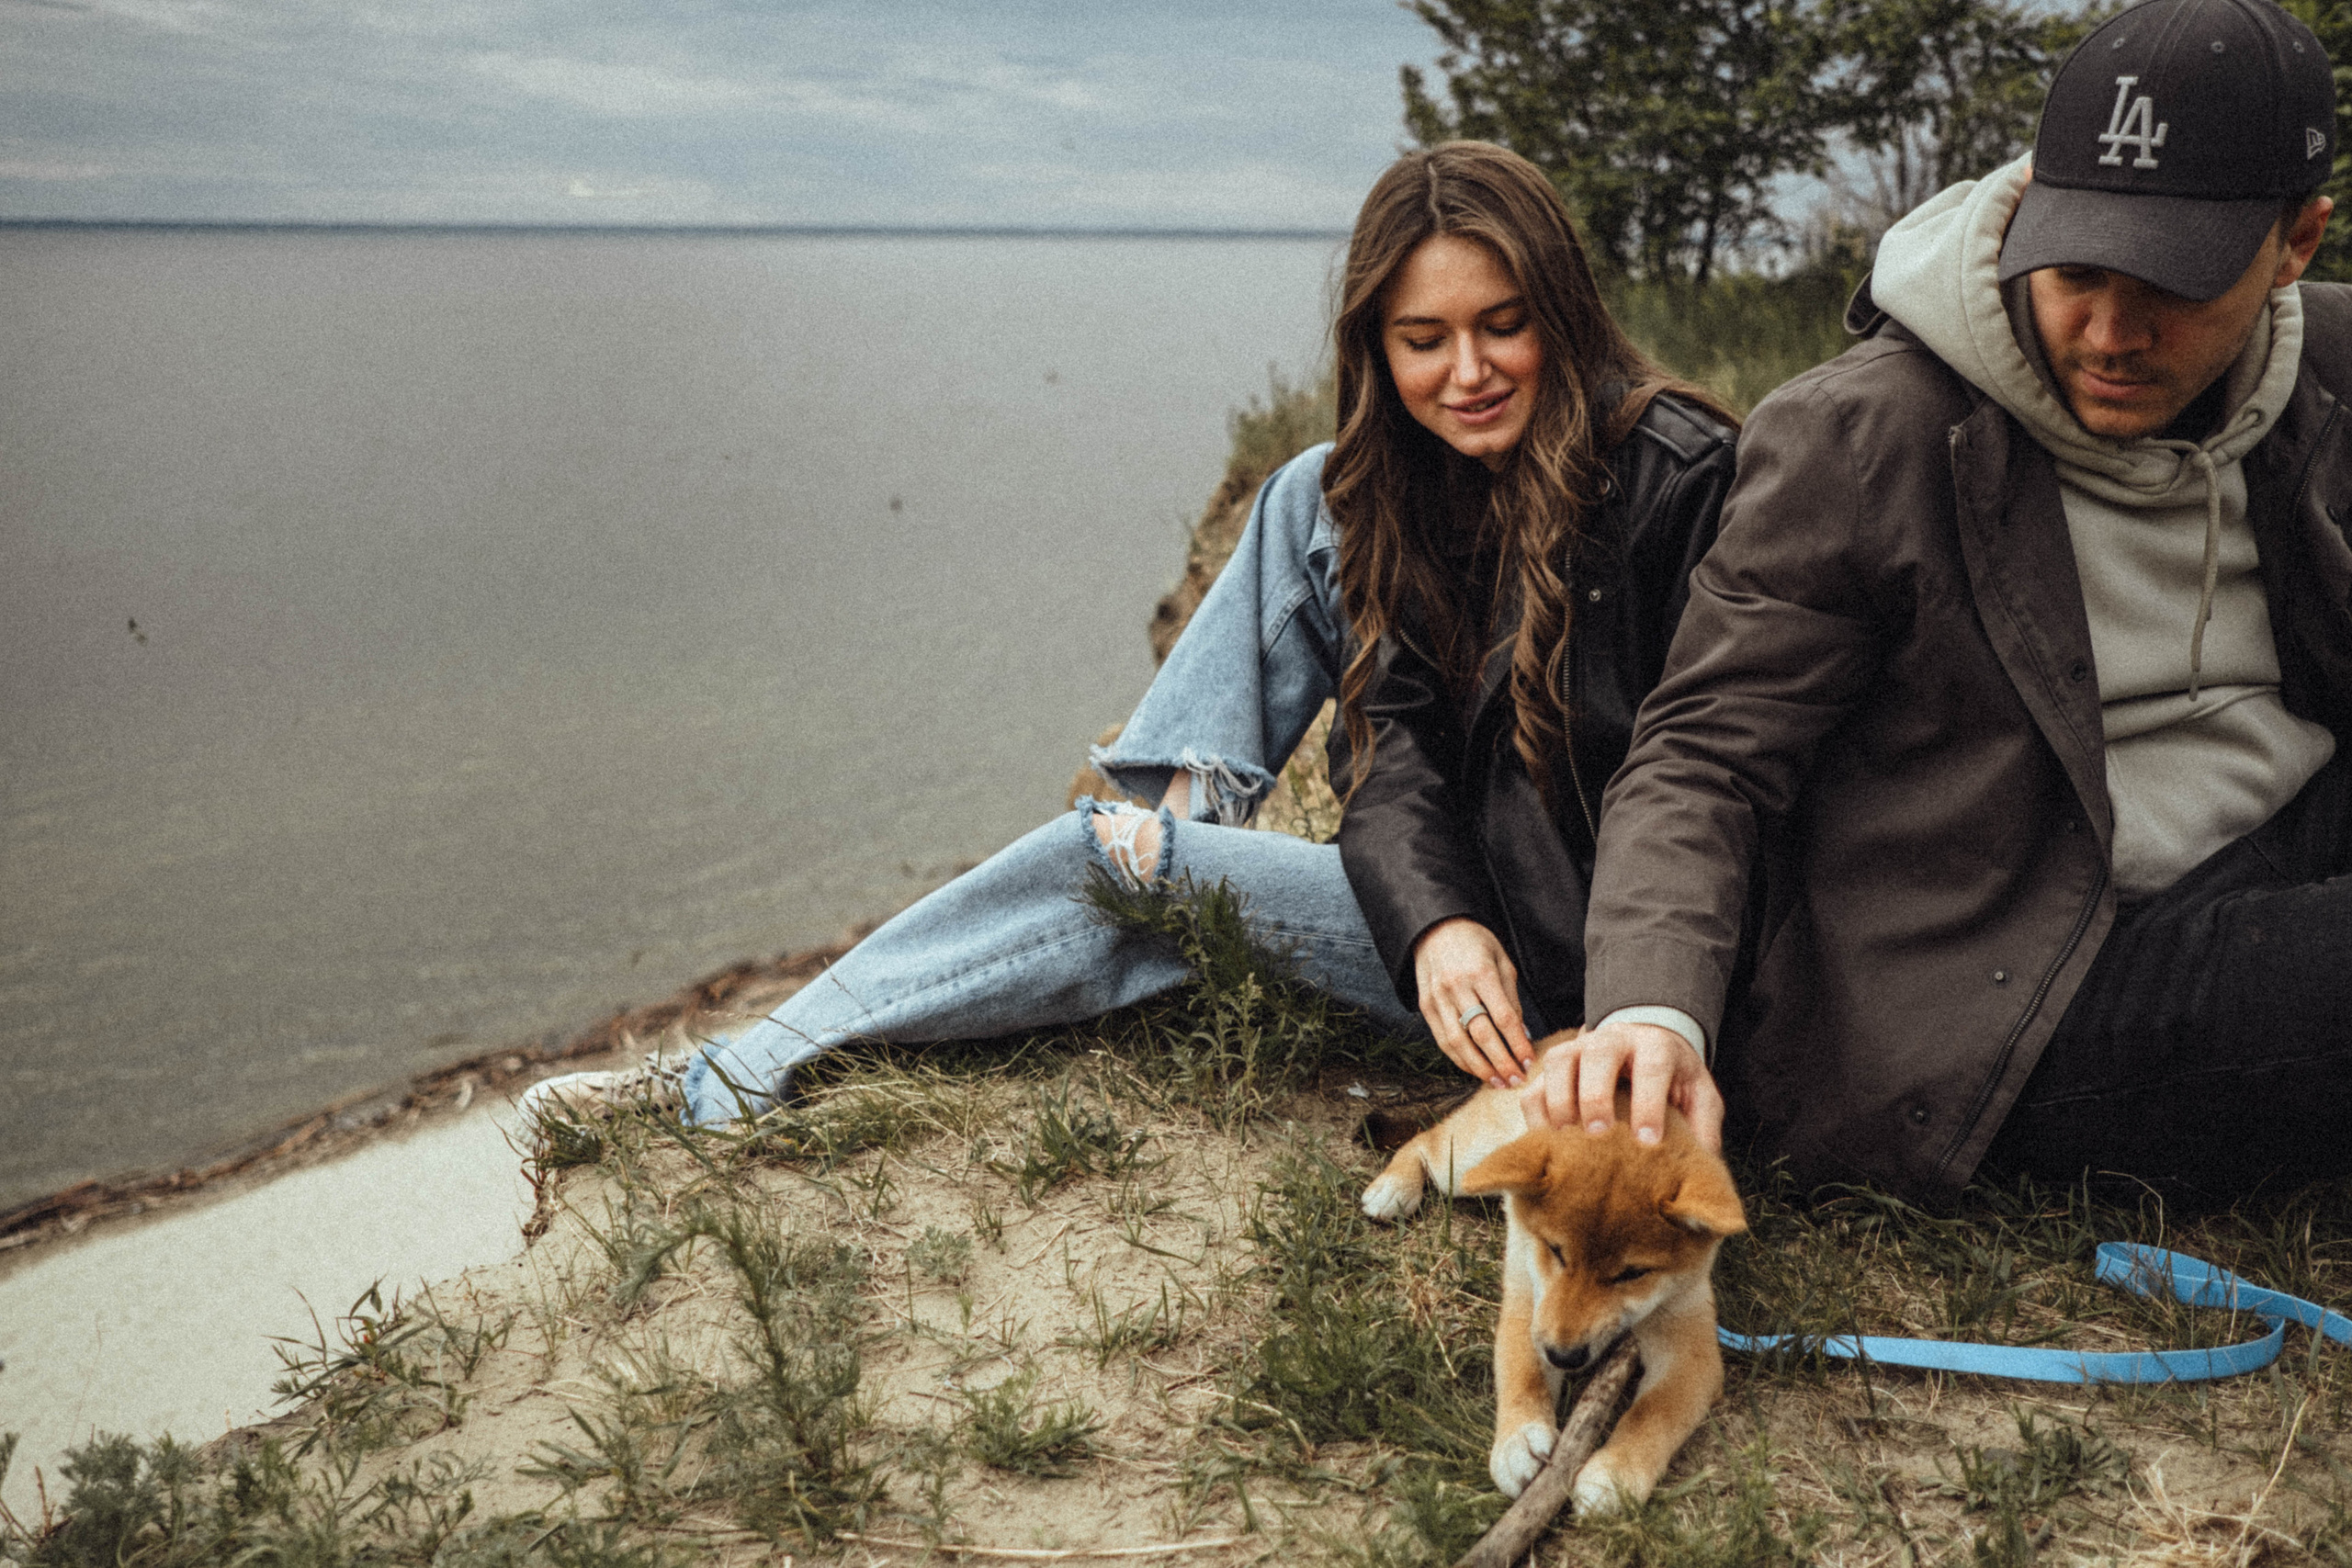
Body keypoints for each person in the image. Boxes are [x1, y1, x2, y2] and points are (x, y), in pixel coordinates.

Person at [525, 141, 1735, 1129]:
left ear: (1562, 313)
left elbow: (1705, 793)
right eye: (1424, 341)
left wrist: (1605, 998)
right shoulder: (1431, 482)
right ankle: (1171, 855)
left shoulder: (1676, 480)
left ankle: (722, 1083)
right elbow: (1399, 747)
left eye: (1504, 326)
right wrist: (1434, 919)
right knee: (1314, 494)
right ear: (1378, 345)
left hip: (1582, 981)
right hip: (1464, 918)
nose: (1467, 371)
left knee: (1103, 862)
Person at [1529, 0, 2352, 1204]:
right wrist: (1652, 1012)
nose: (2109, 332)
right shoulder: (1864, 434)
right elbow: (1702, 758)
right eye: (2077, 271)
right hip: (2028, 972)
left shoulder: (2332, 365)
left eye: (2172, 284)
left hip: (2285, 835)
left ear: (2295, 244)